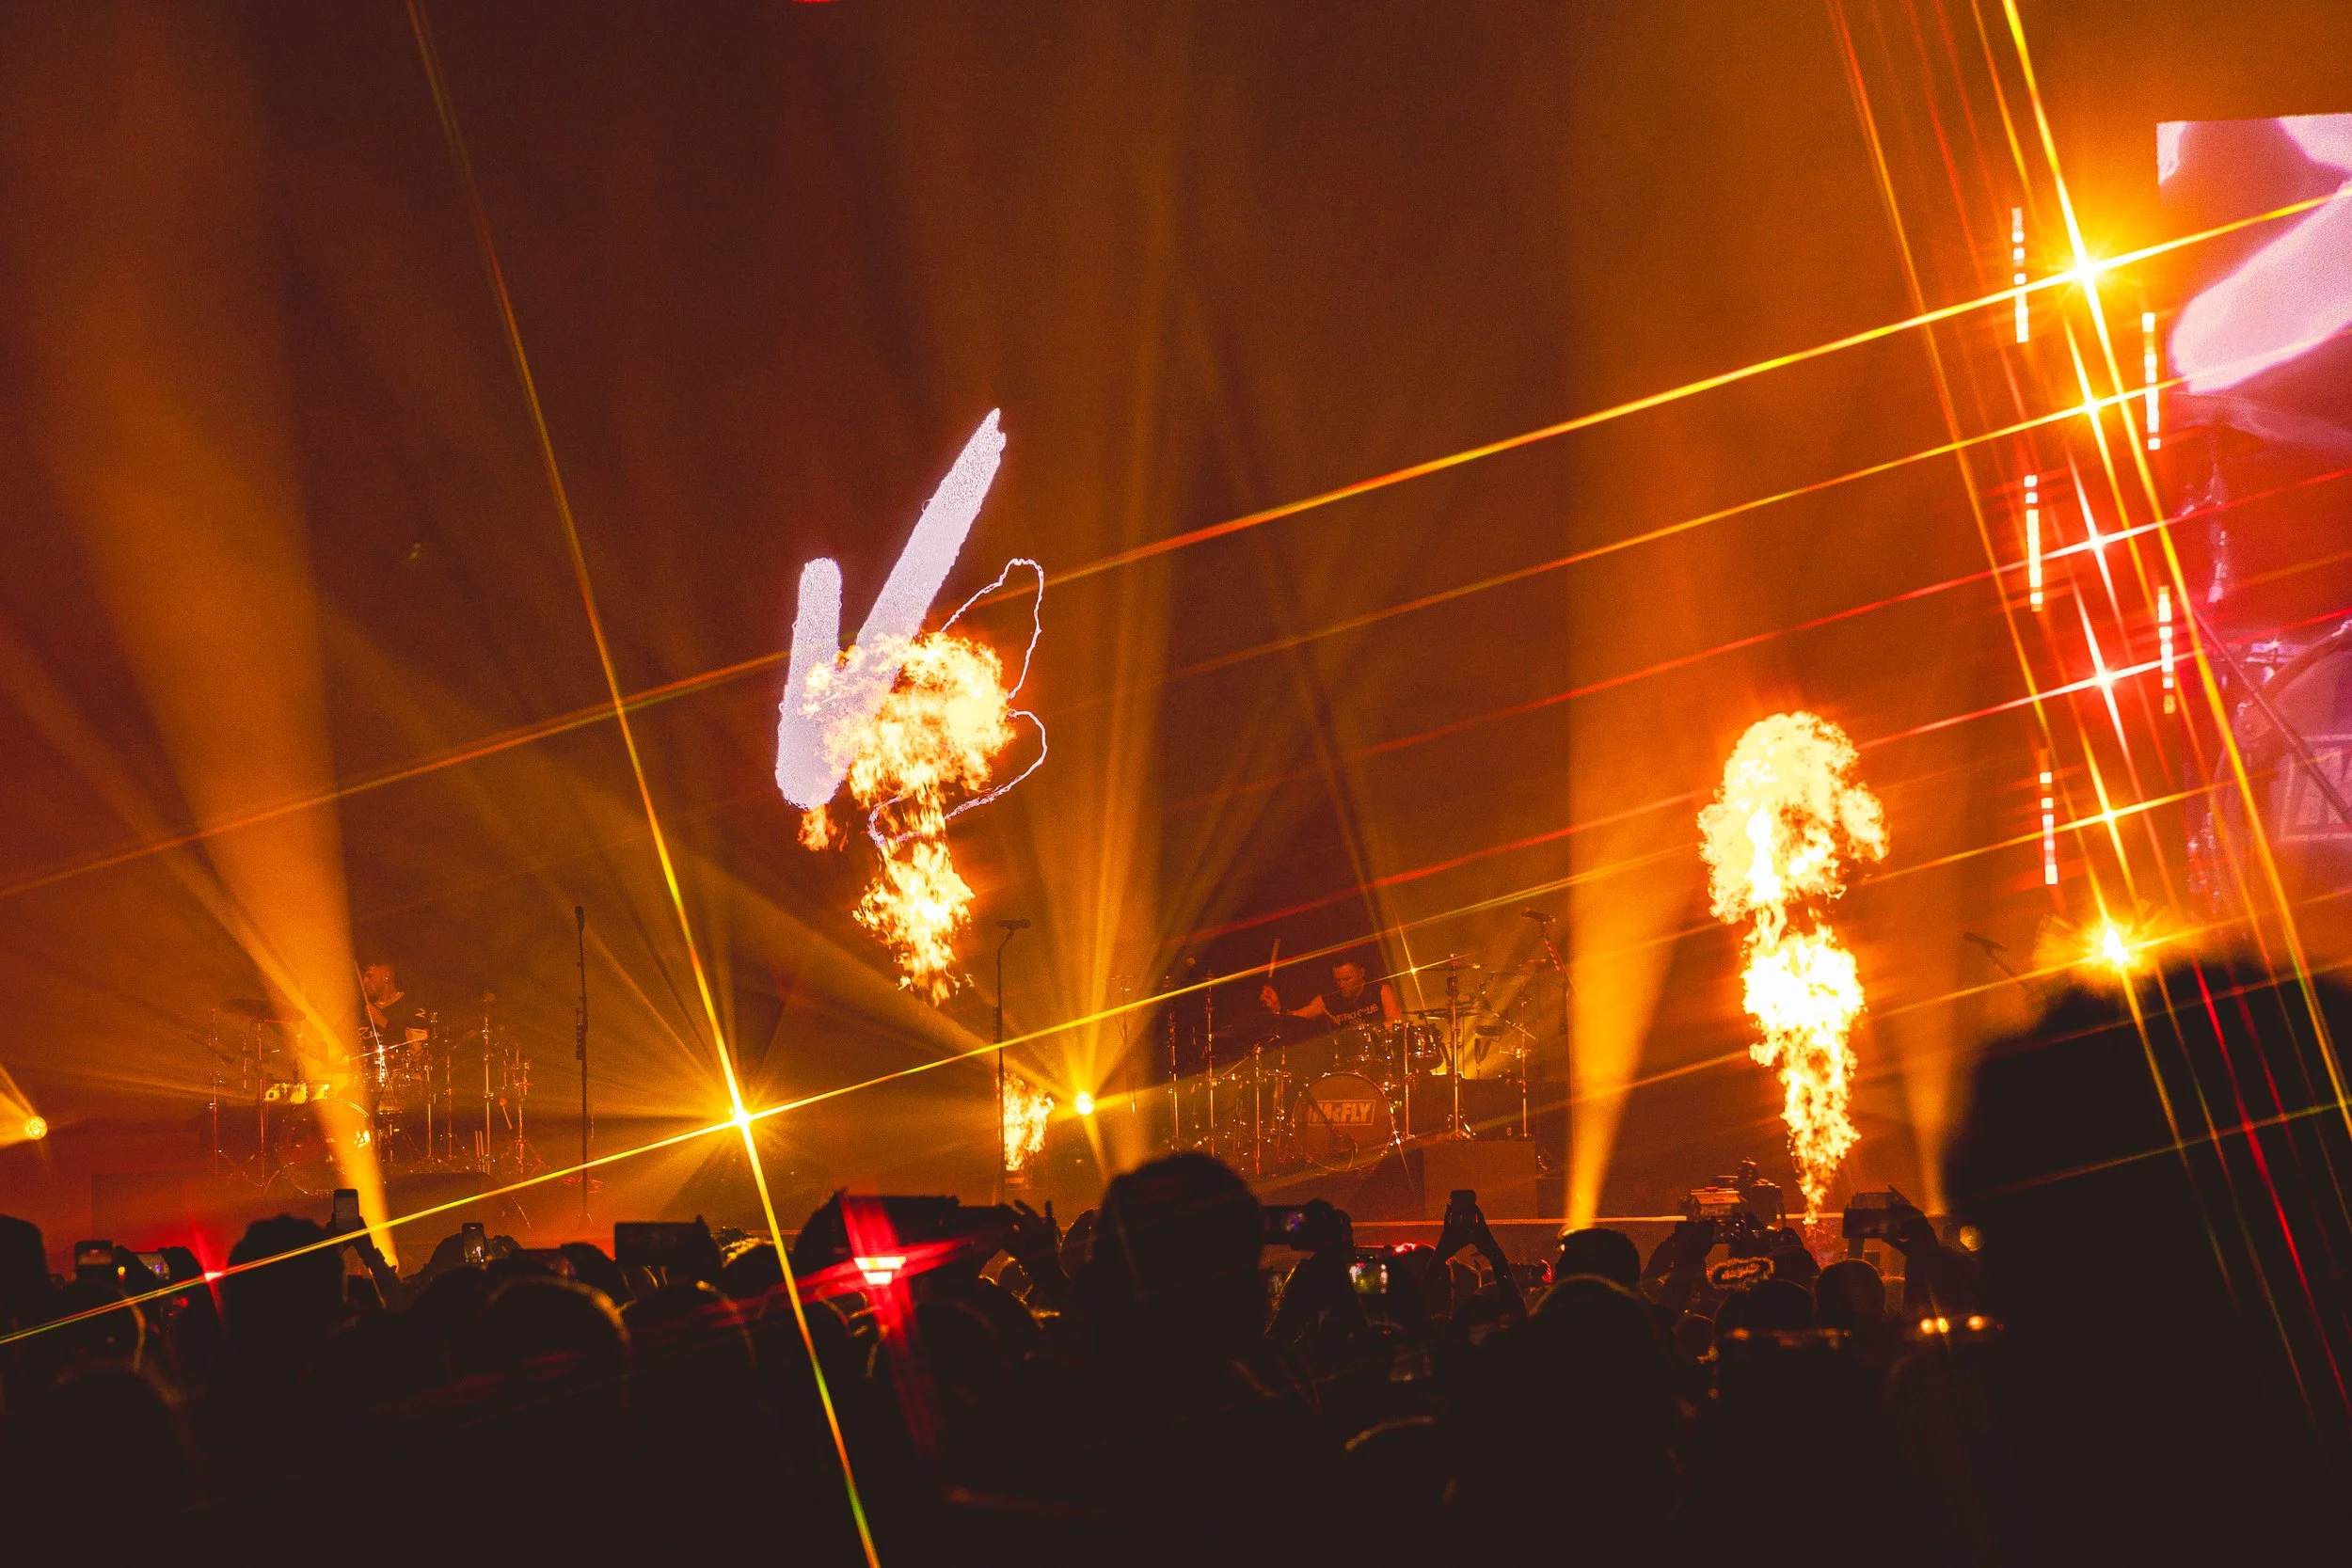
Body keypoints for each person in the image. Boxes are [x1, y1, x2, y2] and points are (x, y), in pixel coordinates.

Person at [1261, 953, 1403, 1031]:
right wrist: (1277, 1008)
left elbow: (1394, 1020)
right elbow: (1298, 1016)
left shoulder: (1379, 990)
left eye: (1347, 979)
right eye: (1338, 980)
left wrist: (1367, 1031)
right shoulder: (1329, 999)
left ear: (1361, 973)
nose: (1342, 985)